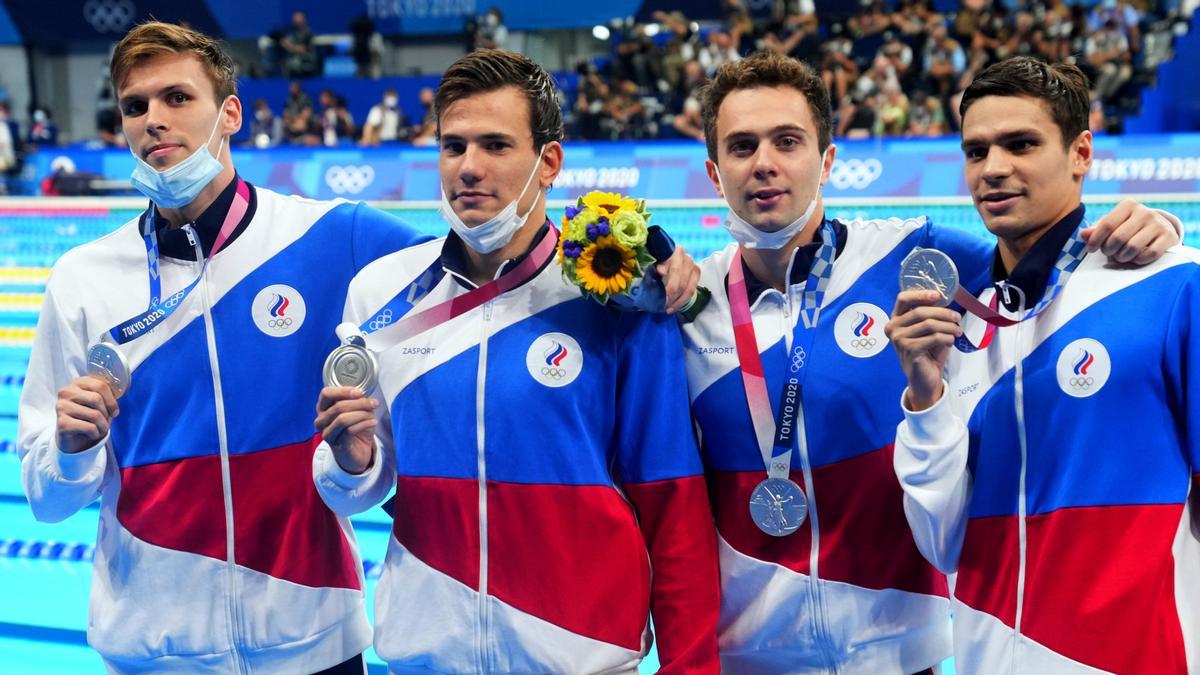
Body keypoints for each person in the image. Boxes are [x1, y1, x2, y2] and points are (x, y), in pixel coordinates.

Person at [680, 50, 1180, 673]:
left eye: (787, 141)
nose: (764, 164)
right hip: (750, 655)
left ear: (827, 159)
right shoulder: (682, 305)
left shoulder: (912, 253)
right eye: (742, 146)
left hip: (903, 652)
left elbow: (1043, 262)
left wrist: (1152, 225)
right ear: (712, 169)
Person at [16, 21, 431, 673]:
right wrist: (71, 451)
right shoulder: (83, 277)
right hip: (156, 649)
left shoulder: (330, 237)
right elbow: (44, 498)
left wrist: (643, 262)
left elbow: (482, 267)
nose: (154, 119)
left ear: (229, 113)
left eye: (177, 98)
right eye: (135, 105)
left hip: (313, 638)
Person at [311, 48, 719, 674]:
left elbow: (672, 501)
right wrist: (350, 459)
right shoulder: (380, 292)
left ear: (548, 162)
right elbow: (364, 479)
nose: (468, 168)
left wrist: (691, 667)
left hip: (580, 652)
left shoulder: (616, 293)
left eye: (496, 145)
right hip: (425, 654)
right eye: (453, 147)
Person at [887, 56, 1199, 675]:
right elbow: (944, 544)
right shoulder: (963, 326)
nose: (994, 169)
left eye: (1020, 144)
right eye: (976, 152)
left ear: (1081, 153)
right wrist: (925, 400)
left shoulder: (1171, 286)